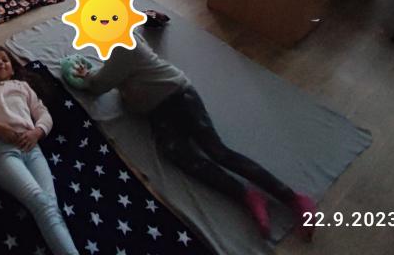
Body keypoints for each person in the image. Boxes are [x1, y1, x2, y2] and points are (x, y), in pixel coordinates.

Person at [73, 23, 316, 240]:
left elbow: (98, 86)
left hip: (178, 95)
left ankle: (292, 197)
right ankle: (247, 195)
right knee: (177, 153)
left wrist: (87, 76)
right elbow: (117, 73)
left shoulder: (123, 47)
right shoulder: (122, 44)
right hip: (157, 111)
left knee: (217, 151)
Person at [0, 48, 79, 255]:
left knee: (51, 206)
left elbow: (43, 114)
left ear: (12, 68)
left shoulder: (23, 87)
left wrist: (37, 132)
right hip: (3, 150)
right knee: (42, 203)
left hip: (32, 148)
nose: (1, 63)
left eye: (5, 60)